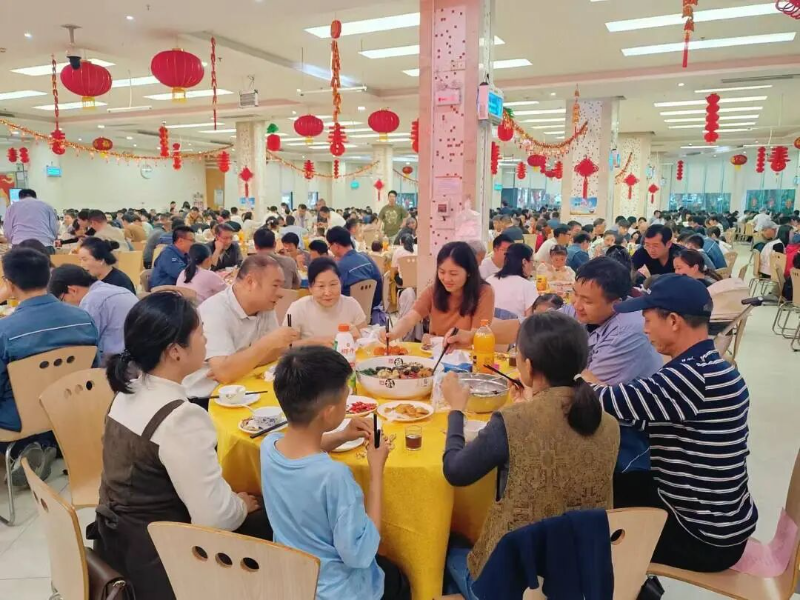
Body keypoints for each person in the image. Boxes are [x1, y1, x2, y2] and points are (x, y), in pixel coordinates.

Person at [90, 292, 271, 600]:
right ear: (175, 351)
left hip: (116, 543)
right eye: (200, 332)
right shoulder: (180, 417)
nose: (206, 338)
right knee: (273, 513)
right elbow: (216, 518)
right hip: (160, 559)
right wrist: (241, 504)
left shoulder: (128, 391)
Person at [440, 312, 620, 599]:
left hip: (515, 581)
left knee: (445, 546)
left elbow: (455, 471)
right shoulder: (608, 423)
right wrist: (530, 403)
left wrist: (456, 410)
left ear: (528, 365)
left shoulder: (513, 421)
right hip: (579, 574)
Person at [587, 274, 758, 573]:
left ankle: (628, 586)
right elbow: (635, 406)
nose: (644, 329)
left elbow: (603, 401)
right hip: (719, 521)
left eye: (648, 320)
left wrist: (568, 375)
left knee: (584, 528)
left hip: (702, 537)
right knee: (605, 485)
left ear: (674, 321)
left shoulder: (690, 377)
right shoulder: (711, 365)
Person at [261, 346, 410, 600]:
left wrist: (341, 435)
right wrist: (376, 470)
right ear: (329, 412)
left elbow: (304, 449)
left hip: (292, 578)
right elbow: (361, 553)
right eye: (345, 397)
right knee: (399, 578)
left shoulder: (269, 446)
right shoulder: (334, 476)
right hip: (336, 592)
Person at [0, 248, 99, 486]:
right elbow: (92, 370)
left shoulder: (5, 331)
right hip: (70, 405)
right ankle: (46, 442)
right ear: (49, 277)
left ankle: (26, 449)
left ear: (10, 285)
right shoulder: (83, 318)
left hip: (20, 417)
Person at [183, 255, 300, 399]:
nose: (281, 293)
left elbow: (274, 352)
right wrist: (266, 343)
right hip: (206, 398)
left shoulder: (264, 307)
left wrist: (237, 365)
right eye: (275, 285)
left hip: (243, 388)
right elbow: (225, 374)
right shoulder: (215, 311)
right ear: (250, 282)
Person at [382, 241, 494, 339]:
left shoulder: (484, 292)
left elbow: (477, 335)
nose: (446, 279)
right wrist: (392, 333)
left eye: (453, 273)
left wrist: (440, 340)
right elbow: (411, 318)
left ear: (469, 272)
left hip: (468, 354)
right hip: (437, 353)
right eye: (442, 272)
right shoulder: (434, 291)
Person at [48, 264, 138, 360]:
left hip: (116, 362)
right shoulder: (120, 290)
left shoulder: (92, 300)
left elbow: (82, 343)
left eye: (62, 300)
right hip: (136, 357)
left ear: (72, 290)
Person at [283, 258, 367, 343]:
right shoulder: (297, 308)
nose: (327, 293)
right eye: (321, 286)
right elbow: (287, 346)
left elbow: (366, 339)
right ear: (310, 288)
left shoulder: (351, 304)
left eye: (333, 284)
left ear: (340, 283)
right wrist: (314, 342)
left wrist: (359, 338)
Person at [326, 226, 384, 315]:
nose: (329, 249)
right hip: (371, 310)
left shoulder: (339, 267)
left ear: (336, 246)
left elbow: (330, 295)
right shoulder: (367, 258)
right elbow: (379, 282)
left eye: (329, 246)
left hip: (346, 314)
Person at [486, 243, 538, 318]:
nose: (533, 266)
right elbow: (529, 320)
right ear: (524, 262)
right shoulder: (528, 286)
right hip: (516, 325)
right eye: (532, 261)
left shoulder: (489, 280)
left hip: (490, 324)